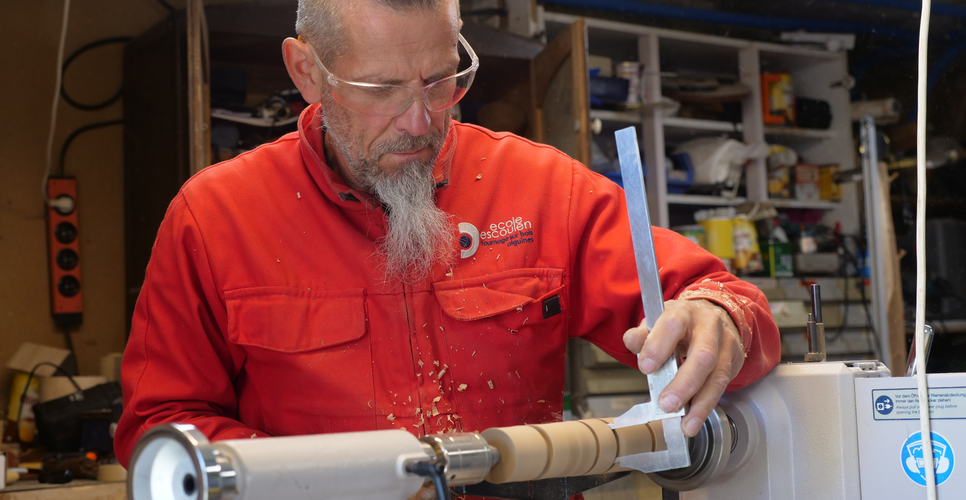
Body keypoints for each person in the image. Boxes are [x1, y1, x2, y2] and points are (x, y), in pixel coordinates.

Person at [114, 0, 780, 468]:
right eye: (380, 89)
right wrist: (313, 478)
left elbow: (725, 304)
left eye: (440, 81)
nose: (418, 120)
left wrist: (717, 317)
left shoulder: (539, 189)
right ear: (305, 71)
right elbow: (158, 427)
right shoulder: (216, 218)